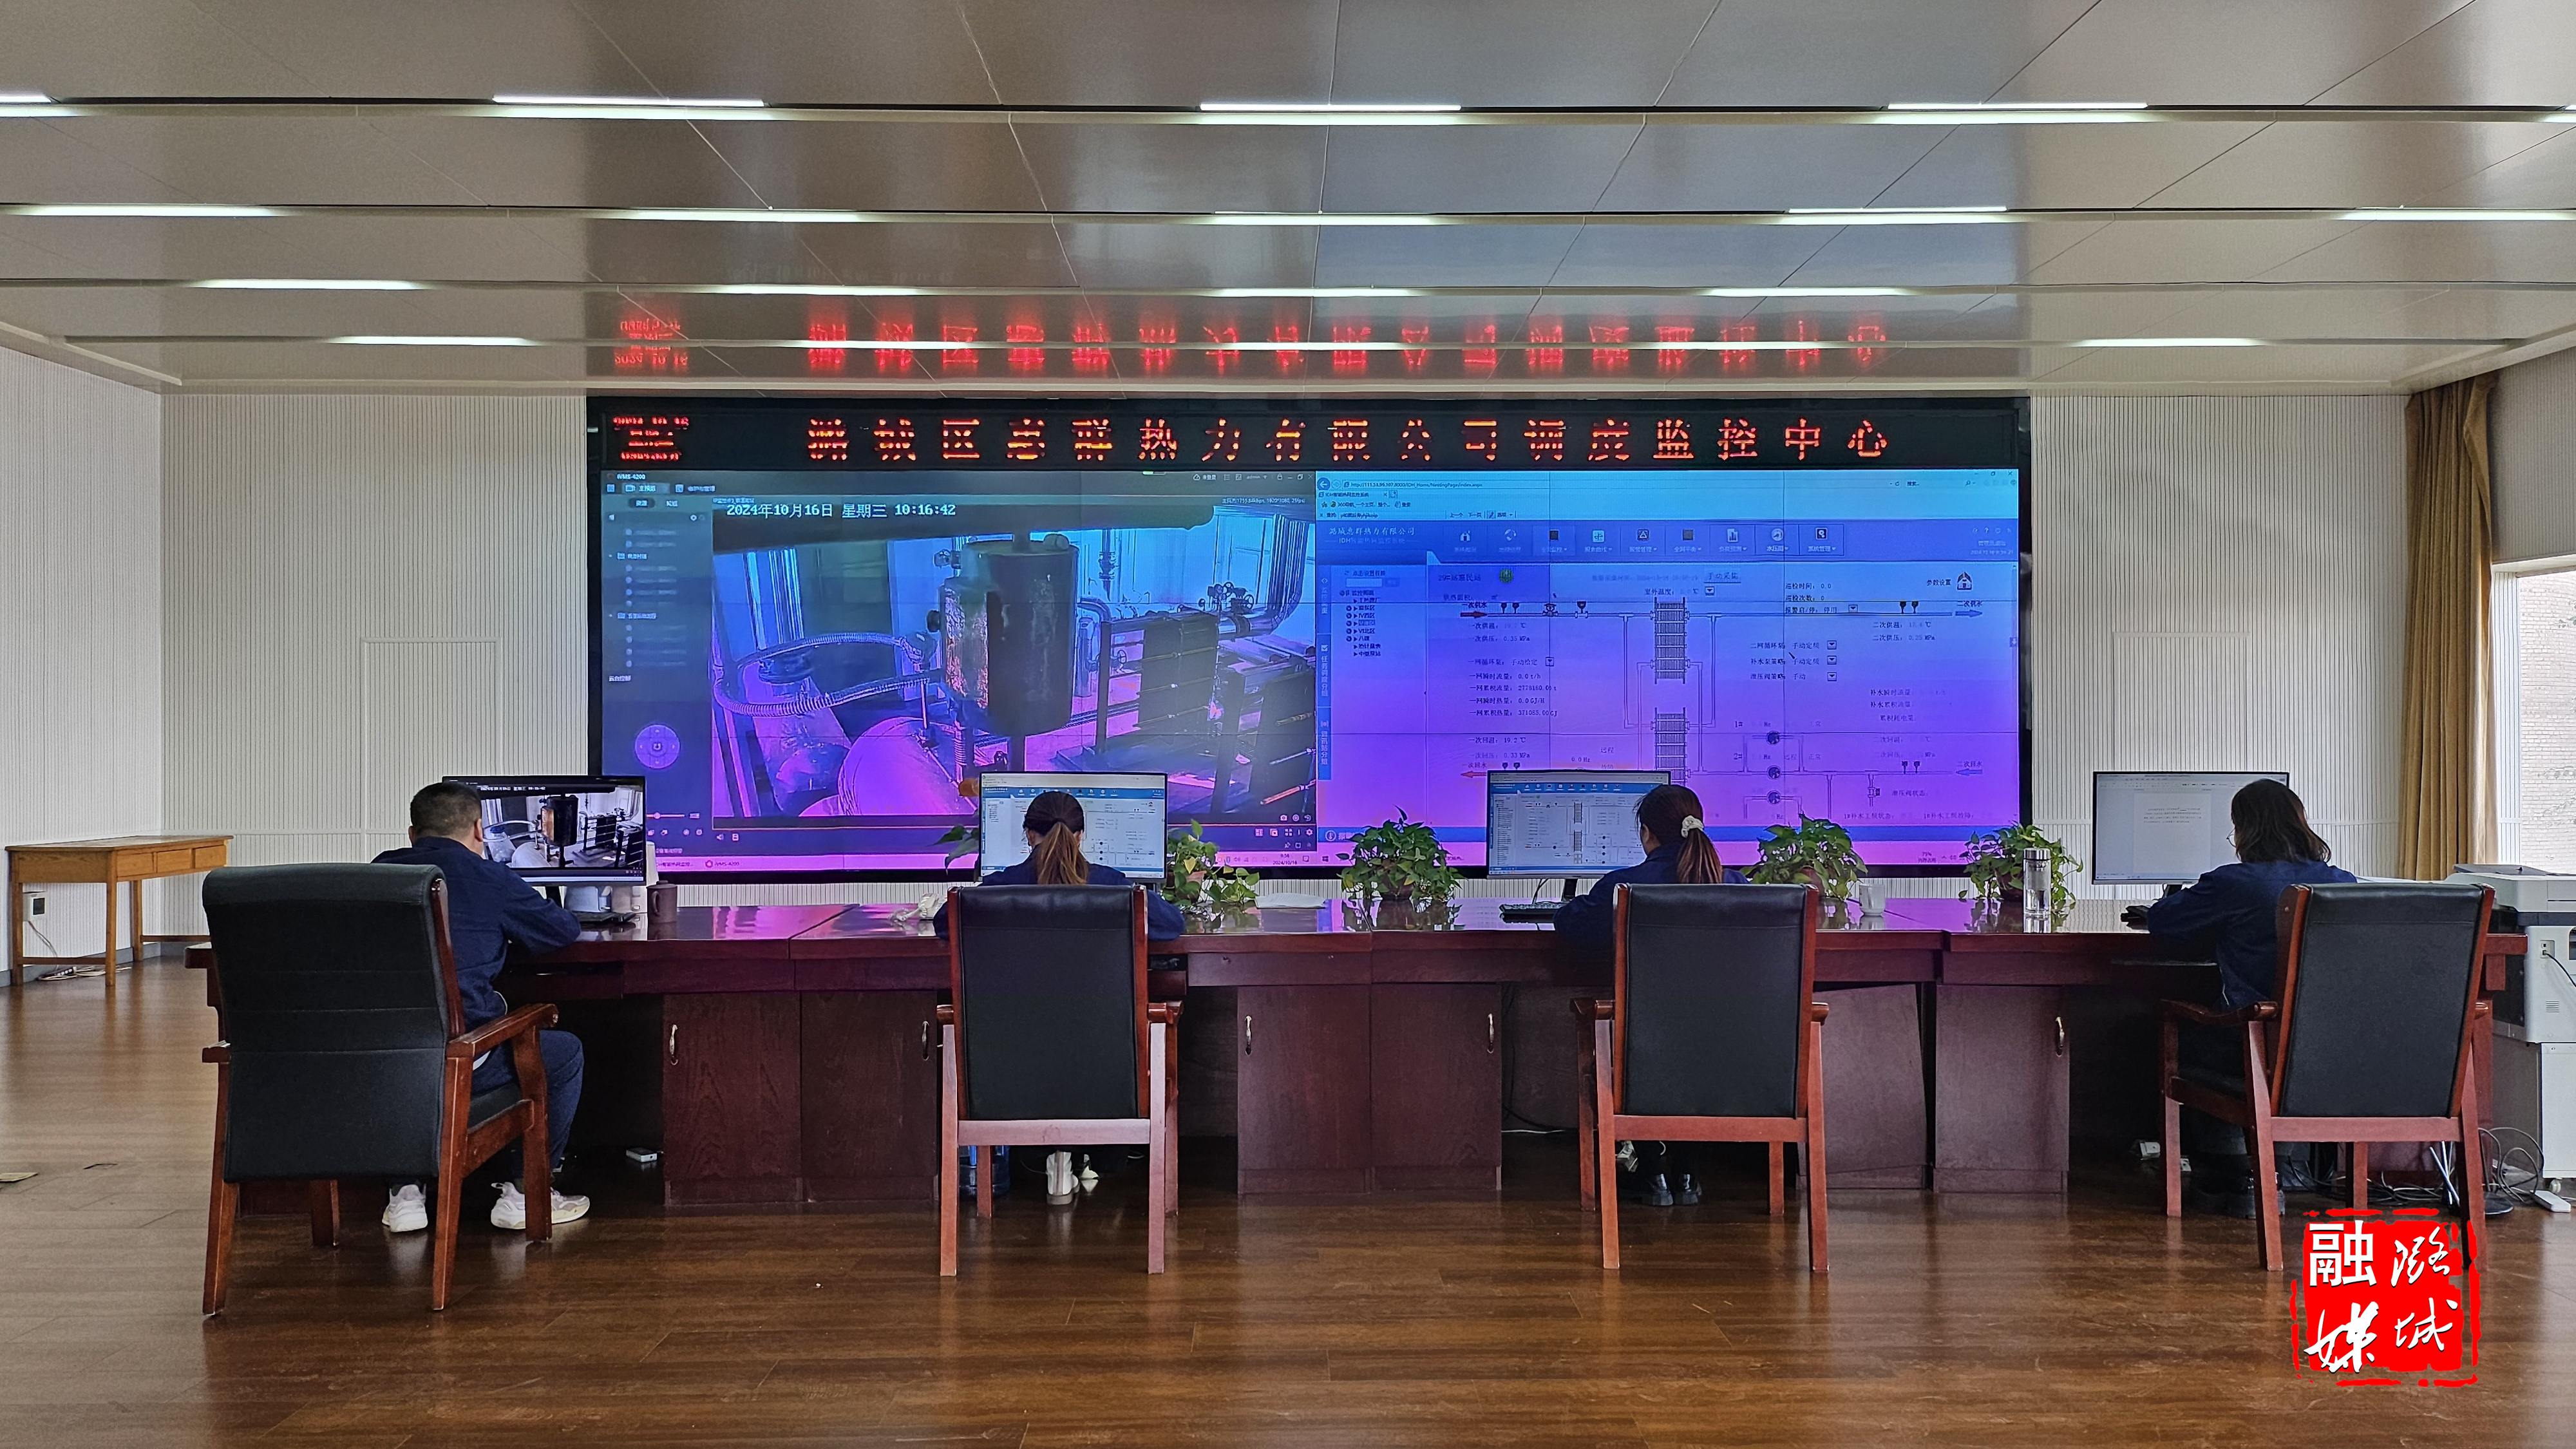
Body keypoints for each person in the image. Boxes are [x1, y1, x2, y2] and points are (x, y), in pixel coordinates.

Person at [935, 790, 1186, 1202]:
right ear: (1081, 835)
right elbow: (1172, 925)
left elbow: (944, 923)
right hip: (1103, 1071)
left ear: (1027, 834)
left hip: (1008, 1076)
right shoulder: (1114, 888)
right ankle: (1099, 1159)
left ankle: (1046, 1160)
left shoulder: (994, 891)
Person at [372, 781, 592, 1233]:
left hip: (382, 1059)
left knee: (409, 1049)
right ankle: (525, 1194)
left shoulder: (375, 874)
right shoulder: (490, 877)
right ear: (478, 829)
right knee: (565, 1053)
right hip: (467, 1058)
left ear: (412, 834)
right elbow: (562, 931)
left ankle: (405, 1193)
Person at [2143, 778, 2354, 1217]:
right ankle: (2282, 1168)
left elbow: (2164, 923)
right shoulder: (2343, 884)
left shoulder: (2234, 883)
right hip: (2329, 1052)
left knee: (2177, 1032)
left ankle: (2231, 1171)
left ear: (2245, 831)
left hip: (2251, 1045)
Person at [1550, 782, 1746, 1207]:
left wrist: (1567, 906)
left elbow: (1571, 928)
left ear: (1646, 833)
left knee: (1642, 1031)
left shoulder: (1623, 887)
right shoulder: (1739, 887)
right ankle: (1687, 1174)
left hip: (1645, 1049)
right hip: (1731, 1054)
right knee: (1696, 1042)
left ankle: (1652, 1174)